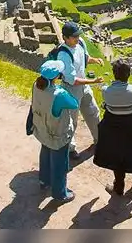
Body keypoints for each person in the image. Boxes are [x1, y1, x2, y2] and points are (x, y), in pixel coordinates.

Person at [94, 58, 132, 196]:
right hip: (131, 127)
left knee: (117, 156)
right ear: (129, 74)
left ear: (114, 74)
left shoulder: (106, 91)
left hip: (113, 127)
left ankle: (119, 186)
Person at [30, 60, 79, 203]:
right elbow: (74, 104)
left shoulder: (36, 85)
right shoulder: (59, 94)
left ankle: (44, 181)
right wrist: (64, 90)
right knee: (60, 163)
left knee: (45, 152)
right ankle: (60, 193)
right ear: (56, 76)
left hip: (42, 129)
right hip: (57, 133)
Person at [55, 21, 103, 159]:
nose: (77, 38)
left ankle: (99, 140)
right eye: (74, 36)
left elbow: (85, 58)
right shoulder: (63, 54)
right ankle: (70, 149)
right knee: (71, 120)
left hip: (84, 85)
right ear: (65, 37)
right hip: (71, 89)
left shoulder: (80, 43)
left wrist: (95, 60)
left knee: (93, 112)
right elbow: (72, 80)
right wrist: (93, 81)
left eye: (78, 35)